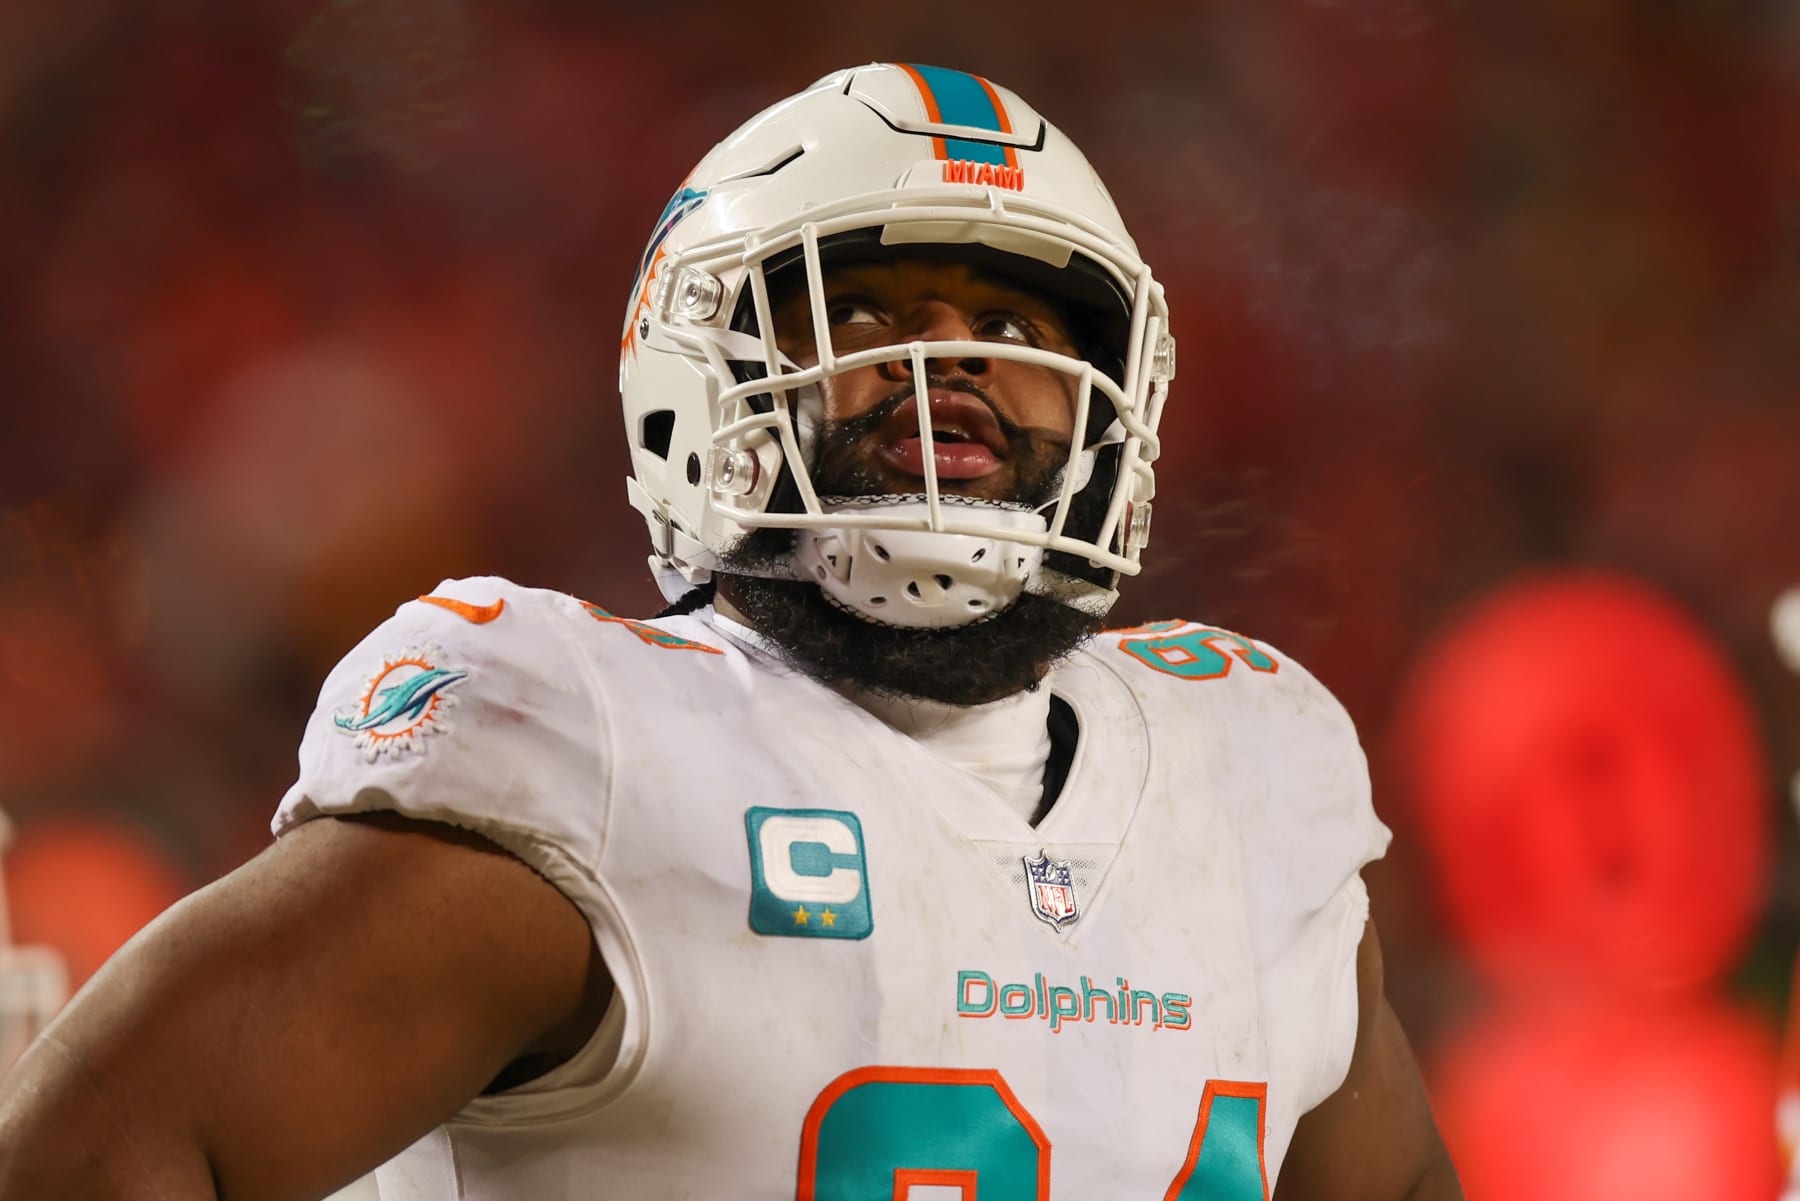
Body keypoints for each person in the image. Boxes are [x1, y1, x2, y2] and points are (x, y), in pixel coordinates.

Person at [0, 64, 1461, 1201]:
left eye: (1013, 332)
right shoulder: (605, 763)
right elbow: (93, 1149)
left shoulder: (1250, 778)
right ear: (704, 393)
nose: (944, 363)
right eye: (867, 311)